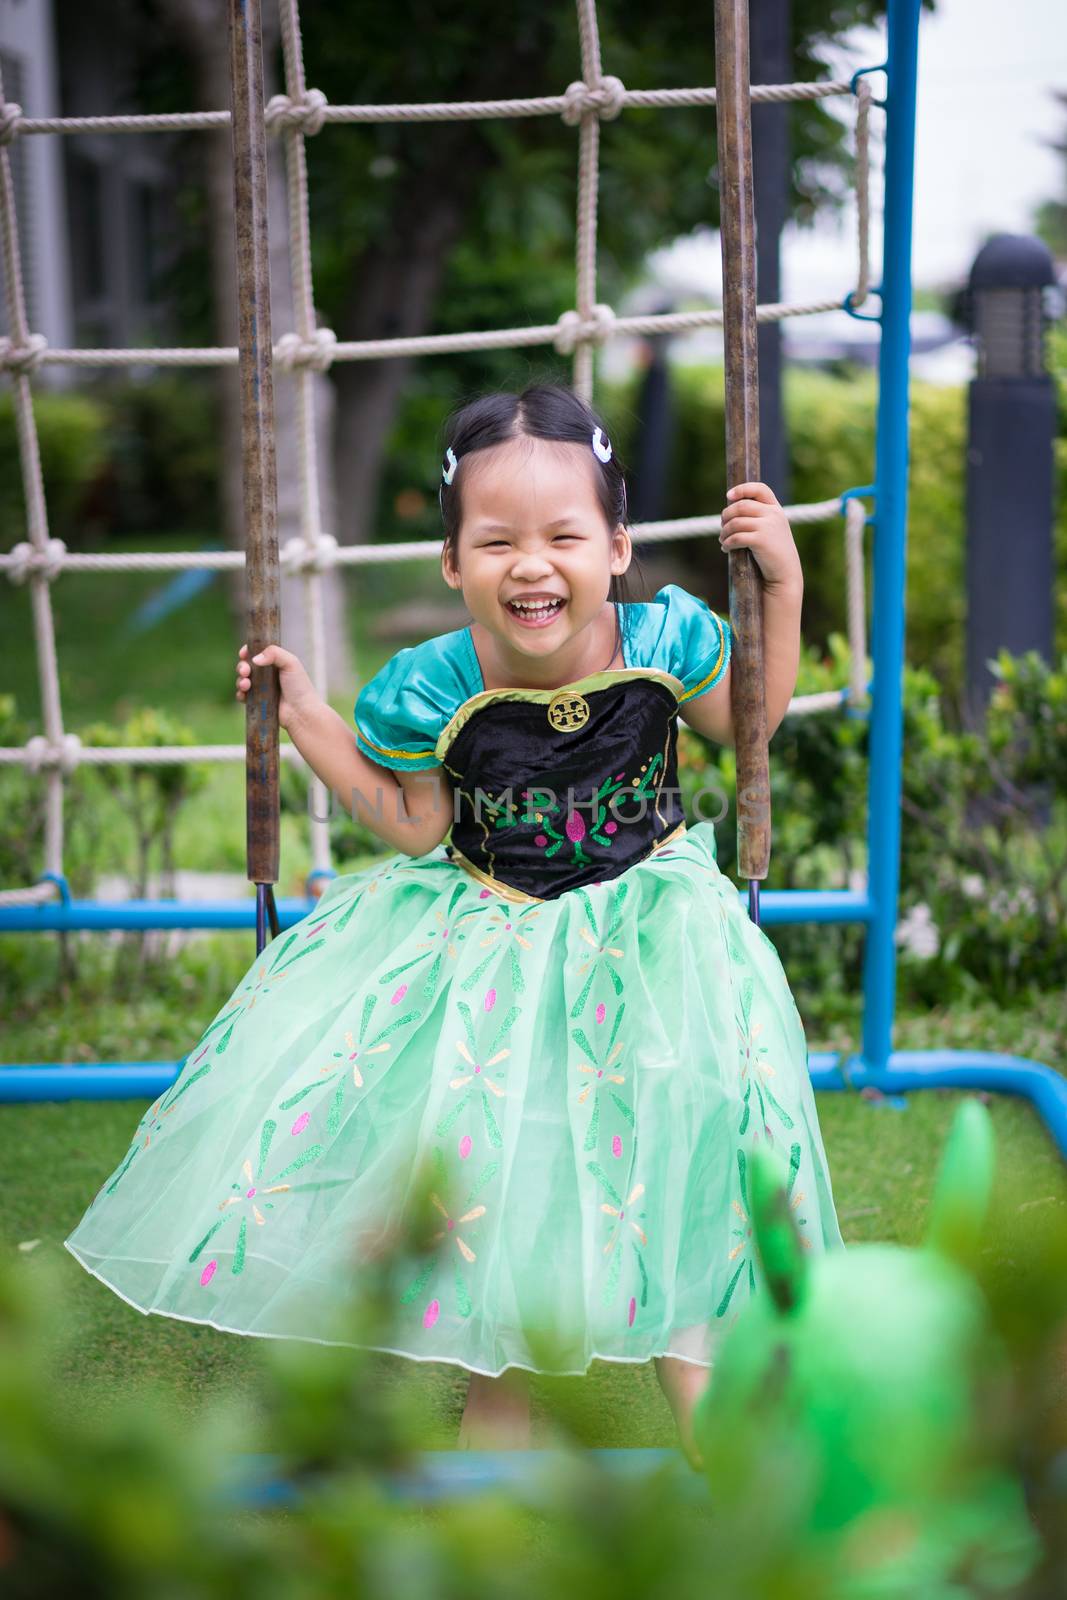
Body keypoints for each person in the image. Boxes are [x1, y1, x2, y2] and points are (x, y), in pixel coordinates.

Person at [64, 382, 843, 1466]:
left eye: (563, 535)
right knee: (514, 1165)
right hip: (497, 943)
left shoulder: (668, 637)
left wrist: (784, 583)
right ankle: (500, 1410)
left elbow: (746, 727)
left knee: (689, 1141)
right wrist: (308, 720)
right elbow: (416, 824)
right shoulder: (430, 685)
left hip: (656, 934)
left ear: (615, 548)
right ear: (450, 563)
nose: (532, 563)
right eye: (496, 541)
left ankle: (706, 1387)